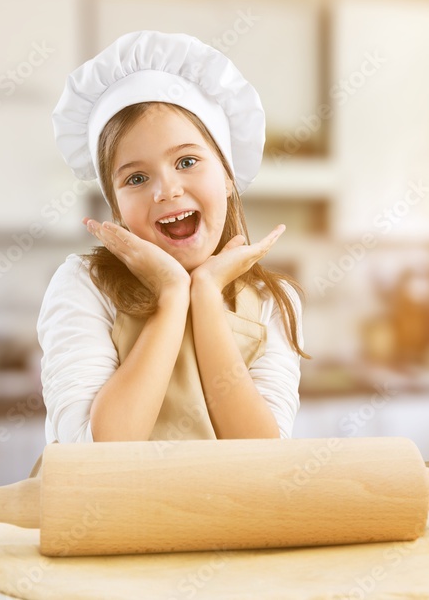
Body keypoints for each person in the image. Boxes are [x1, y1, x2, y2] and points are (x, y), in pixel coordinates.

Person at [36, 30, 311, 449]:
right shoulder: (84, 285)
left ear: (228, 176)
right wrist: (171, 295)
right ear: (116, 208)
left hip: (227, 516)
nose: (166, 191)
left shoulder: (275, 300)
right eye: (136, 178)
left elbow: (264, 457)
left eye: (186, 161)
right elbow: (93, 453)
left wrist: (205, 296)